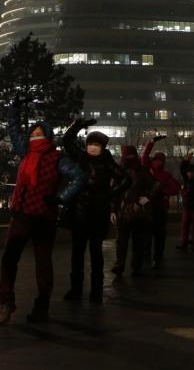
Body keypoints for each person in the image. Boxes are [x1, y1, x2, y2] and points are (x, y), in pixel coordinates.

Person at [0, 103, 86, 325]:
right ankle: (6, 302)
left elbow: (79, 177)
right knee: (9, 259)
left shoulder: (58, 159)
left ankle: (42, 306)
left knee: (43, 263)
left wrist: (60, 198)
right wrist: (13, 111)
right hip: (20, 215)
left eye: (40, 134)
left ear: (48, 136)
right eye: (33, 134)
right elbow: (14, 132)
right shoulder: (26, 152)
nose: (35, 138)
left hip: (44, 218)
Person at [62, 120, 129, 302]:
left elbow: (126, 179)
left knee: (96, 252)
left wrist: (108, 194)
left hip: (98, 213)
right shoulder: (81, 157)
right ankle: (75, 290)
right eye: (90, 143)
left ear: (103, 147)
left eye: (97, 144)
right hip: (79, 211)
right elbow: (66, 141)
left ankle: (96, 292)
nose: (92, 147)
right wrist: (76, 125)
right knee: (77, 253)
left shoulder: (107, 163)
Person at [112, 145, 161, 276]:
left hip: (137, 211)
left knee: (137, 240)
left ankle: (135, 266)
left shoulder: (142, 170)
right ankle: (120, 264)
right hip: (123, 211)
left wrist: (144, 198)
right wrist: (113, 209)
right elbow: (114, 191)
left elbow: (155, 185)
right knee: (121, 240)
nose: (129, 158)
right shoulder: (119, 171)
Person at [142, 135, 181, 266]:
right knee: (147, 233)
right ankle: (146, 255)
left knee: (159, 234)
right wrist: (151, 142)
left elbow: (176, 188)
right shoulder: (148, 170)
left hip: (160, 208)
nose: (158, 162)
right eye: (156, 160)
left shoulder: (165, 175)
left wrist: (164, 193)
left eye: (161, 161)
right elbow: (144, 155)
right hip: (148, 207)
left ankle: (158, 256)